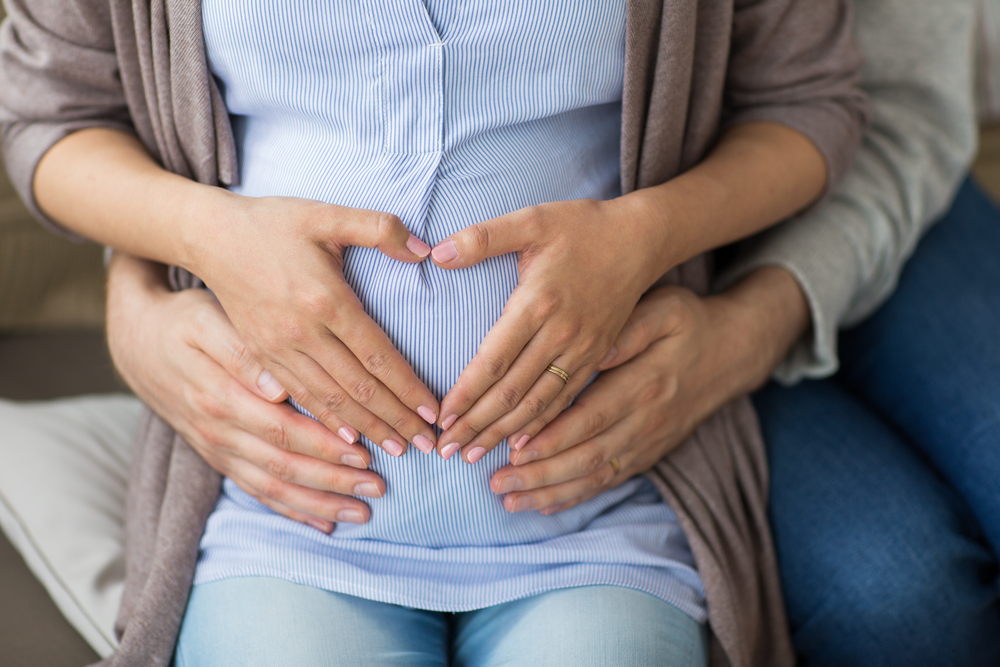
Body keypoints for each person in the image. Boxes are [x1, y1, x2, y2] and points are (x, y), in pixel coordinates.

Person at [98, 0, 997, 665]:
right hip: (292, 528)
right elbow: (92, 103)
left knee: (912, 599)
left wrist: (728, 309)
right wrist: (150, 283)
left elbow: (841, 104)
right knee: (898, 597)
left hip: (599, 515)